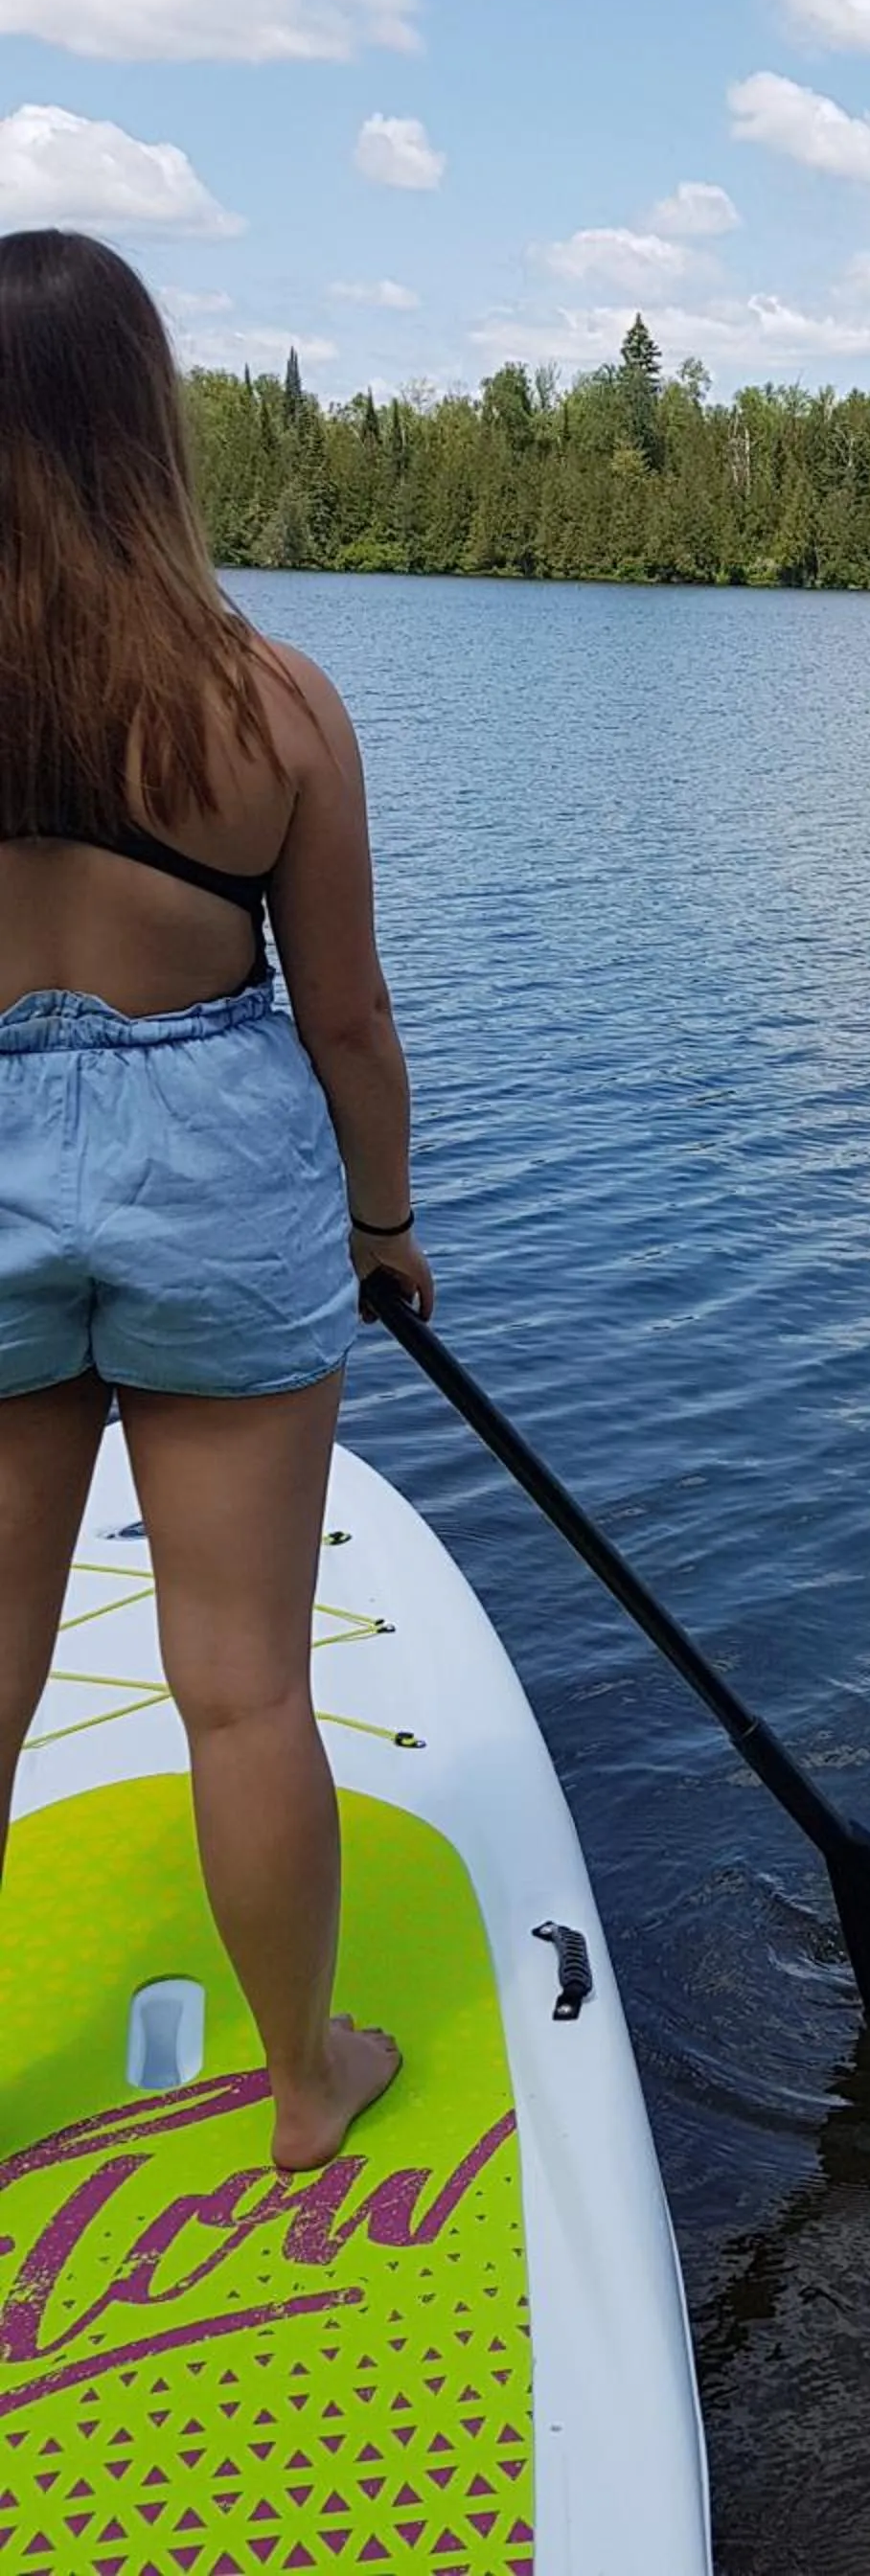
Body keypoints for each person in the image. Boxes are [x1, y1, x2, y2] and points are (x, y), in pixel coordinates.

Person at [0, 229, 431, 2171]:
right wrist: (384, 1225)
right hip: (219, 1177)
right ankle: (303, 2096)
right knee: (245, 1691)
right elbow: (341, 1012)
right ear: (146, 430)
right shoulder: (271, 704)